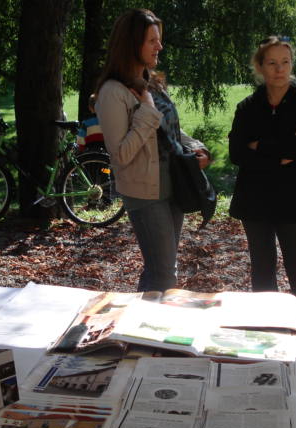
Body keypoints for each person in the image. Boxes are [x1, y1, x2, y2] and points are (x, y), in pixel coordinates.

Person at [95, 8, 211, 292]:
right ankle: (144, 320)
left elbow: (170, 130)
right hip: (145, 193)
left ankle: (142, 319)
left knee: (162, 270)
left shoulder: (152, 82)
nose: (159, 46)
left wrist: (196, 147)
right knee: (164, 275)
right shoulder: (112, 92)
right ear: (131, 43)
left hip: (173, 184)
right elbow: (120, 154)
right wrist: (146, 113)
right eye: (152, 40)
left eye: (159, 39)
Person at [228, 36, 296, 296]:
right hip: (254, 200)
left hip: (294, 199)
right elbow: (236, 153)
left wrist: (258, 146)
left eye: (285, 62)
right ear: (260, 66)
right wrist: (281, 152)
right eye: (272, 63)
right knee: (262, 274)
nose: (280, 69)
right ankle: (266, 322)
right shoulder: (247, 107)